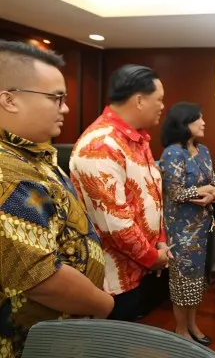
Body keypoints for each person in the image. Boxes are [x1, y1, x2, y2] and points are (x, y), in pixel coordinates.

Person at [0, 40, 114, 357]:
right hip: (28, 342)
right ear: (9, 100)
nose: (65, 108)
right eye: (56, 98)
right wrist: (102, 302)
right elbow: (40, 278)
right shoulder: (8, 173)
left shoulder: (30, 155)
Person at [70, 64, 170, 322]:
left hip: (138, 268)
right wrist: (153, 257)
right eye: (159, 100)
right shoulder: (101, 145)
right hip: (112, 278)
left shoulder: (137, 139)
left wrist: (159, 240)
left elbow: (152, 196)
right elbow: (115, 224)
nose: (162, 106)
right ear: (139, 100)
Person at [159, 102, 215, 345]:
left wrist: (212, 194)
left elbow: (214, 184)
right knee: (182, 279)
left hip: (202, 225)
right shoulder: (173, 153)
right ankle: (181, 329)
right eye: (198, 119)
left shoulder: (203, 150)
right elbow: (174, 193)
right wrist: (203, 189)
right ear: (184, 124)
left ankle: (193, 324)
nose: (204, 123)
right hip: (180, 230)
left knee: (196, 279)